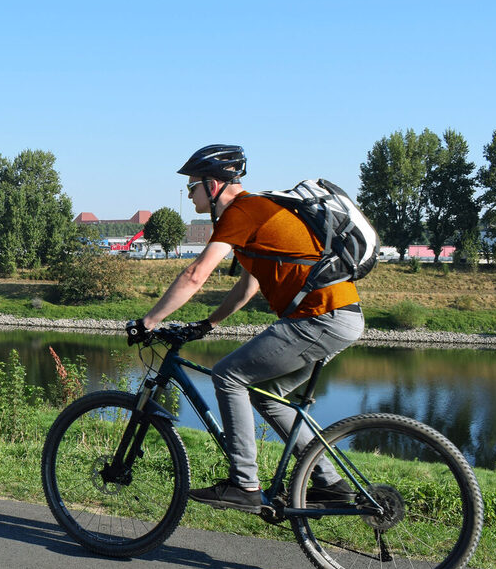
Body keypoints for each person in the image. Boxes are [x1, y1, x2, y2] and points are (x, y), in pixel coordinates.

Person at [134, 144, 364, 513]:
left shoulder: (241, 211)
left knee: (227, 376)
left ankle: (244, 484)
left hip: (320, 315)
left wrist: (149, 321)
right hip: (336, 317)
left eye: (192, 185)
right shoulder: (256, 213)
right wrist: (207, 324)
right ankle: (329, 483)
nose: (189, 192)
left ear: (213, 185)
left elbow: (195, 275)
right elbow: (247, 287)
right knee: (266, 394)